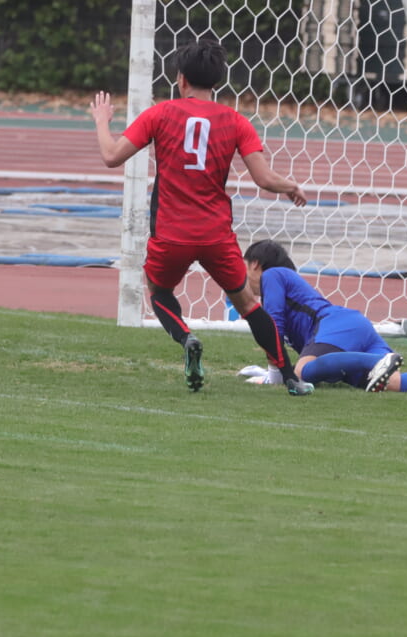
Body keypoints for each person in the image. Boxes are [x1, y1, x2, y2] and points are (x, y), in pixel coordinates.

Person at [90, 38, 313, 396]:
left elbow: (111, 156)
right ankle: (290, 378)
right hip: (216, 235)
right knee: (247, 304)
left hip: (171, 233)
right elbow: (263, 178)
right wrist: (291, 186)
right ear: (217, 81)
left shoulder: (160, 114)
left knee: (158, 291)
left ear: (180, 79)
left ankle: (187, 338)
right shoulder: (236, 121)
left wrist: (102, 121)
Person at [242, 239, 407, 393]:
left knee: (303, 371)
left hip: (336, 325)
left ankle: (378, 361)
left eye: (244, 266)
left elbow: (273, 326)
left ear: (255, 264)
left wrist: (274, 375)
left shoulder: (272, 275)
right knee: (396, 384)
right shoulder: (283, 279)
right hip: (350, 331)